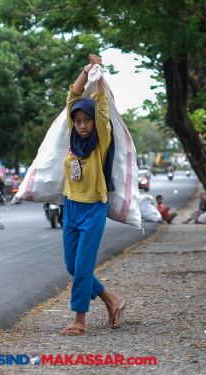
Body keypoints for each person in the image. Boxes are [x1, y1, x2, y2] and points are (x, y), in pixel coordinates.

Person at [60, 54, 126, 337]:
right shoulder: (72, 140)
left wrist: (98, 75)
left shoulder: (100, 142)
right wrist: (85, 72)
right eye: (78, 121)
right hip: (71, 207)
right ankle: (112, 300)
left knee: (84, 265)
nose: (83, 125)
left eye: (87, 120)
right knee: (71, 265)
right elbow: (73, 97)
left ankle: (80, 319)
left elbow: (100, 107)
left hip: (93, 209)